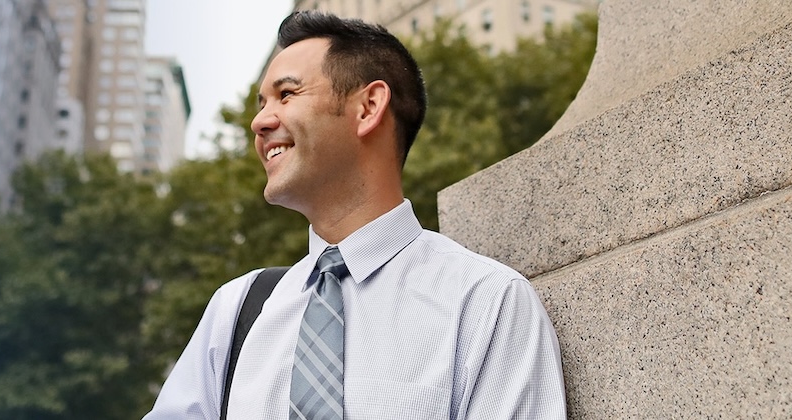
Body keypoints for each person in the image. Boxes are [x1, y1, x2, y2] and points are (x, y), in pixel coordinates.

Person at [144, 10, 565, 420]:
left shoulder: (486, 303)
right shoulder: (236, 310)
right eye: (261, 103)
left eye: (286, 94)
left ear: (368, 107)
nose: (259, 121)